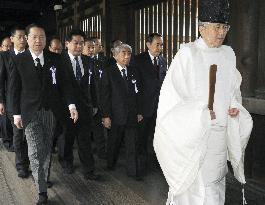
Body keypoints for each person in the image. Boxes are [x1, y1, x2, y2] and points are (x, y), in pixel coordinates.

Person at [153, 0, 253, 204]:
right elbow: (172, 99)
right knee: (195, 190)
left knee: (215, 185)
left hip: (219, 136)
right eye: (216, 27)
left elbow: (233, 90)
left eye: (225, 27)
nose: (221, 32)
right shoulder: (188, 54)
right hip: (195, 137)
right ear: (201, 28)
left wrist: (234, 106)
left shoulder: (228, 54)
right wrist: (199, 114)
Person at [10, 23, 78, 205]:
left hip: (50, 112)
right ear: (27, 39)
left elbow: (65, 85)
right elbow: (14, 90)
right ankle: (42, 192)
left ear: (46, 40)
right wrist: (16, 114)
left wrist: (71, 105)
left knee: (46, 148)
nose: (38, 40)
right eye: (34, 37)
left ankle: (42, 176)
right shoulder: (19, 60)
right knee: (34, 151)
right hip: (29, 113)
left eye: (42, 37)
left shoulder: (55, 59)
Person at [58, 29, 100, 180]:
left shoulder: (88, 60)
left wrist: (94, 104)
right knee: (67, 137)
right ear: (67, 43)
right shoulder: (59, 61)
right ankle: (66, 161)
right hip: (65, 108)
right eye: (75, 43)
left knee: (85, 140)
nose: (79, 46)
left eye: (81, 43)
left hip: (85, 107)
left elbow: (93, 85)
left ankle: (89, 170)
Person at [101, 43, 143, 179]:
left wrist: (139, 112)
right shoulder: (109, 72)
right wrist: (106, 116)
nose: (126, 56)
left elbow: (138, 94)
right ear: (115, 55)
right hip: (115, 114)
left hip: (131, 114)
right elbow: (105, 96)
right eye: (123, 53)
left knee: (132, 144)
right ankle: (110, 163)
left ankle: (133, 172)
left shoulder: (134, 71)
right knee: (114, 142)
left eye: (129, 54)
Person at [131, 33, 167, 175]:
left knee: (157, 137)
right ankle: (140, 168)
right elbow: (134, 87)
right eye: (157, 44)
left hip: (159, 107)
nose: (160, 47)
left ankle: (156, 164)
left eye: (161, 45)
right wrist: (138, 110)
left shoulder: (163, 60)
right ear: (148, 44)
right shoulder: (138, 60)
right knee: (141, 138)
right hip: (143, 107)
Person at [0, 25, 30, 177]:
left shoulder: (31, 55)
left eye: (25, 36)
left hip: (30, 103)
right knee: (18, 135)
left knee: (30, 135)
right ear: (11, 39)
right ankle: (21, 166)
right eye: (19, 37)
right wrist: (1, 101)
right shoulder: (5, 56)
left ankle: (30, 163)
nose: (23, 39)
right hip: (13, 103)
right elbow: (1, 80)